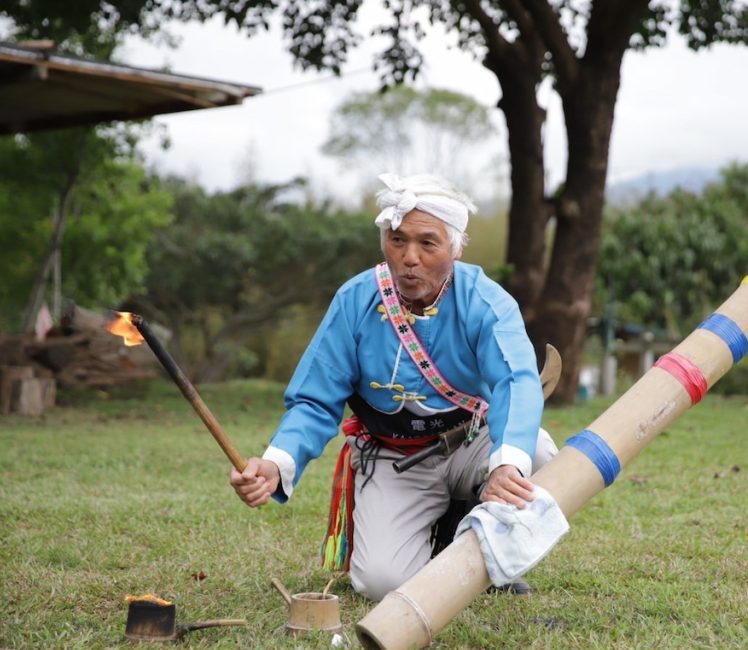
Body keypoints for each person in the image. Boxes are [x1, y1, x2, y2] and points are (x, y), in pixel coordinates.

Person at [230, 173, 558, 601]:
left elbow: (516, 383)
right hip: (394, 457)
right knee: (381, 582)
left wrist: (506, 465)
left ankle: (479, 538)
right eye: (397, 239)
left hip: (472, 443)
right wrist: (275, 463)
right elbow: (314, 399)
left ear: (456, 247)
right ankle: (443, 540)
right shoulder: (355, 300)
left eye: (428, 243)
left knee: (537, 454)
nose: (409, 258)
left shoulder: (486, 301)